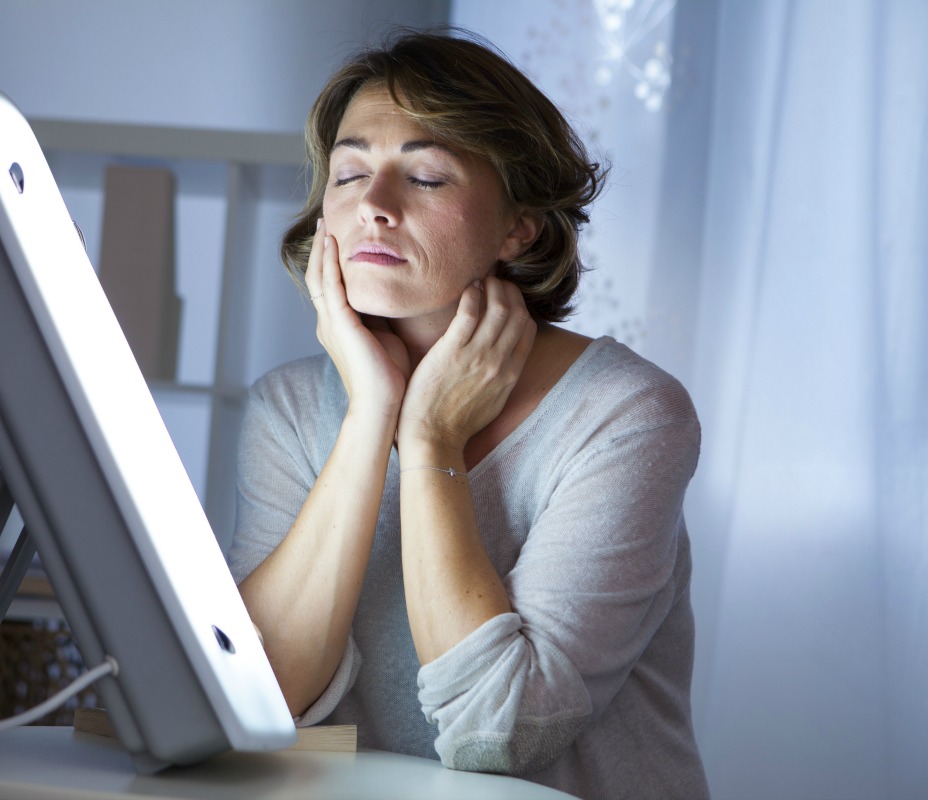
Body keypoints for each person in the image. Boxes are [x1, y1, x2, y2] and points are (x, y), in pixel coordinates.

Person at [227, 27, 709, 800]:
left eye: (425, 177)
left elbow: (500, 736)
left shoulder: (628, 413)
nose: (373, 207)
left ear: (519, 224)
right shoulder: (287, 409)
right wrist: (371, 416)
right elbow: (255, 698)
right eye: (349, 174)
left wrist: (431, 440)